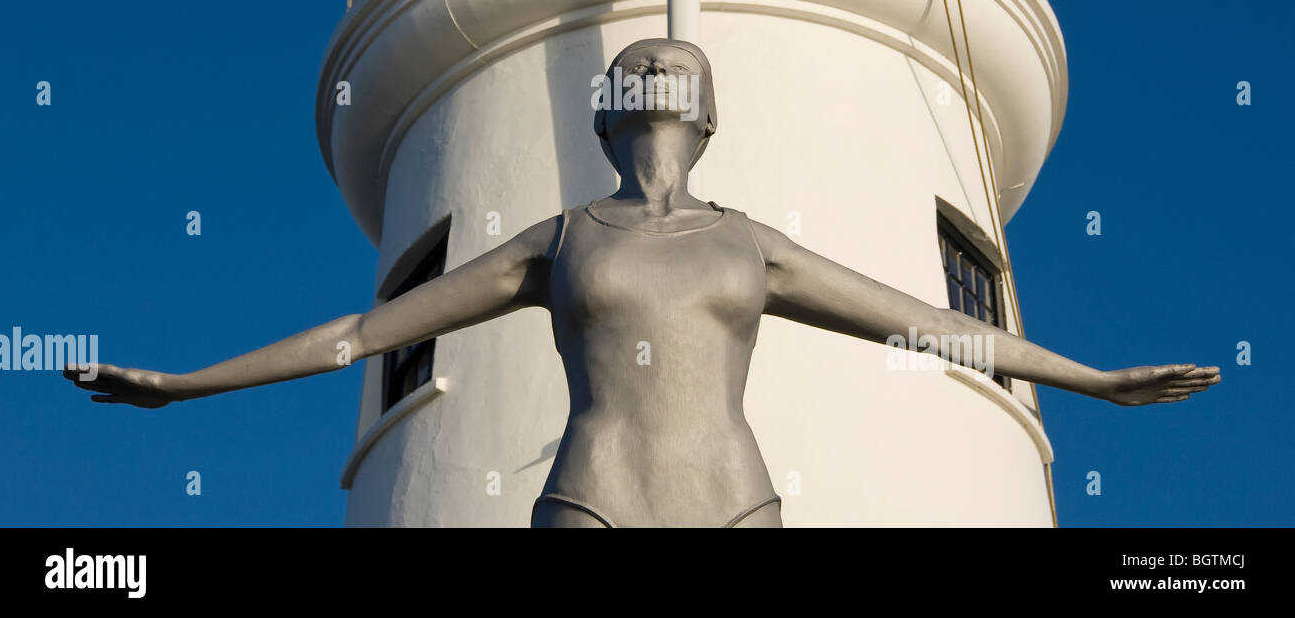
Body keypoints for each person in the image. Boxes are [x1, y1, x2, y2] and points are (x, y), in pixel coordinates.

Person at [65, 38, 1221, 527]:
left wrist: (1094, 379)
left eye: (676, 67)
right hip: (592, 498)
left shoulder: (750, 240)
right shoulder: (556, 238)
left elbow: (925, 324)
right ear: (605, 107)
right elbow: (363, 334)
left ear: (709, 112)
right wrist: (186, 386)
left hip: (737, 498)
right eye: (634, 67)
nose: (655, 67)